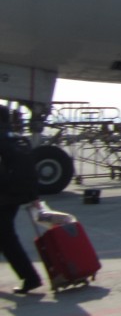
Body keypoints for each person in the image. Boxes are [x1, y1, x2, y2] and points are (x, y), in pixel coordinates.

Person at [0, 106, 43, 295]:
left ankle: (31, 278)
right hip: (15, 196)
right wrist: (33, 196)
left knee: (7, 238)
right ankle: (30, 277)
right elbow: (30, 169)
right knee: (5, 236)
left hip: (3, 195)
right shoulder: (16, 138)